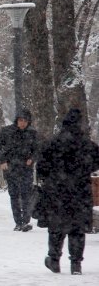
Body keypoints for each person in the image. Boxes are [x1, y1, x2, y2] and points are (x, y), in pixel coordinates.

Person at [36, 108, 99, 275]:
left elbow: (41, 166)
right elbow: (95, 164)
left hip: (57, 191)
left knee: (56, 226)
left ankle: (54, 259)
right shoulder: (87, 145)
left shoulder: (53, 143)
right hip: (80, 191)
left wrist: (51, 176)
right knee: (77, 228)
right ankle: (76, 263)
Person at [0, 108, 39, 231]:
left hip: (26, 168)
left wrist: (32, 158)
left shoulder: (32, 134)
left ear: (29, 122)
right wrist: (2, 160)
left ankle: (25, 221)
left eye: (25, 121)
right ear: (16, 120)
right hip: (10, 167)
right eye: (20, 120)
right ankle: (18, 222)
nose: (22, 123)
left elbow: (37, 149)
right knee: (14, 195)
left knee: (26, 195)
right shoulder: (7, 132)